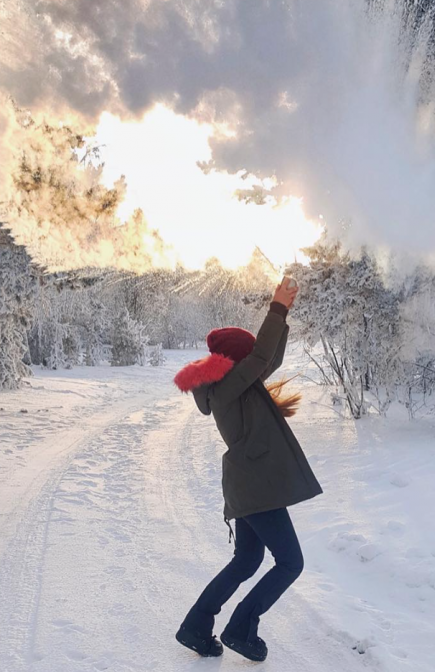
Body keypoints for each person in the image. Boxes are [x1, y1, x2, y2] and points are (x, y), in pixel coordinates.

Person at [172, 279, 323, 662]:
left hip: (250, 486)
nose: (254, 363)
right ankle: (241, 627)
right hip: (257, 487)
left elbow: (266, 360)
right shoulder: (227, 388)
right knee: (290, 562)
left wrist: (282, 320)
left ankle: (196, 624)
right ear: (235, 363)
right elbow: (259, 359)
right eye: (247, 358)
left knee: (247, 560)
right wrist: (277, 309)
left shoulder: (233, 386)